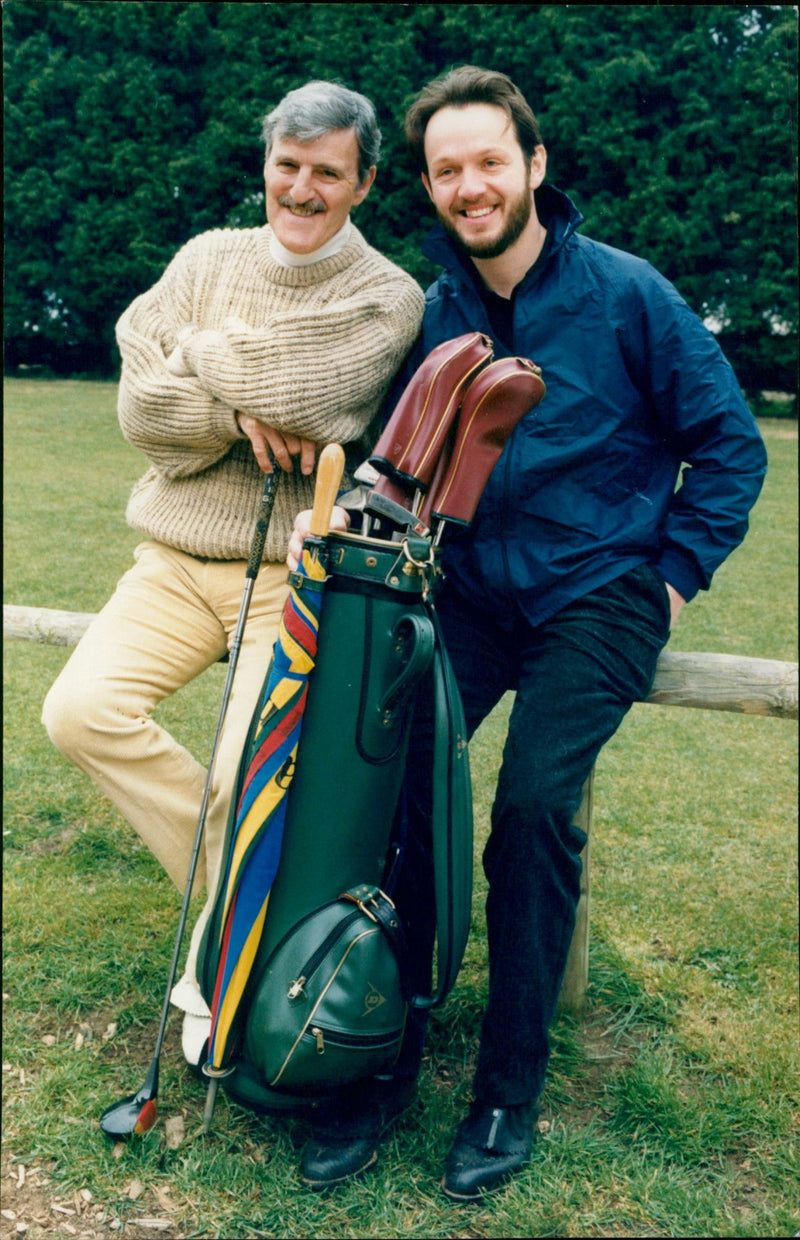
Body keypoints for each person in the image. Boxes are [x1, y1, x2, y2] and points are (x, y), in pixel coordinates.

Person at [288, 66, 767, 1199]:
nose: (470, 185)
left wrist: (669, 582)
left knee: (533, 809)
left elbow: (729, 446)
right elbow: (392, 457)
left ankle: (506, 1083)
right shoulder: (432, 309)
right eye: (448, 169)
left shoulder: (625, 294)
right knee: (389, 787)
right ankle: (371, 1054)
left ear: (533, 166)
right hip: (462, 590)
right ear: (429, 184)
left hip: (599, 595)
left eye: (489, 161)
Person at [42, 80, 424, 1066]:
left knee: (237, 781)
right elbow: (140, 411)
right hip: (171, 563)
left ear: (363, 182)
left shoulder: (386, 294)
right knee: (77, 712)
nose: (299, 189)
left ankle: (228, 975)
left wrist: (196, 363)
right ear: (267, 164)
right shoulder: (206, 257)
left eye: (325, 173)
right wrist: (235, 399)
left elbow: (320, 391)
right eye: (285, 166)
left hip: (291, 581)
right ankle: (233, 925)